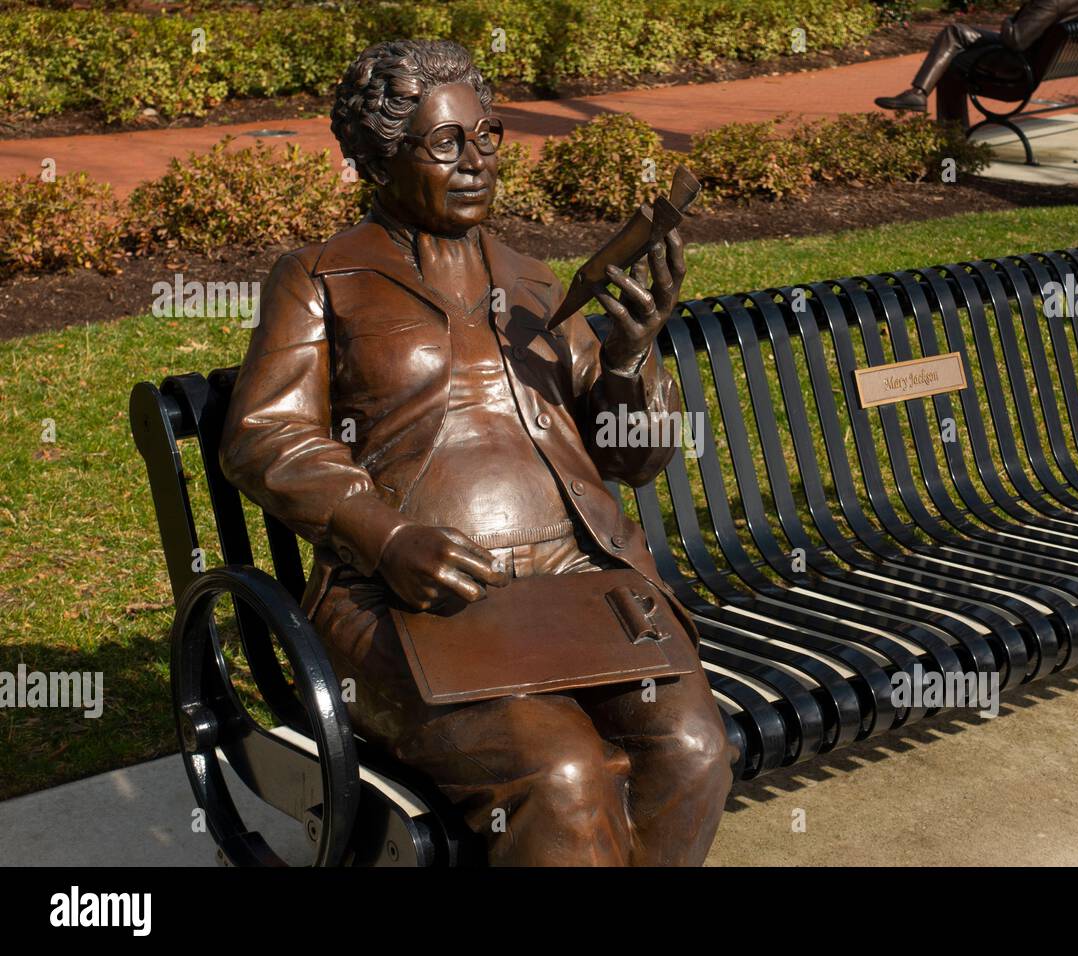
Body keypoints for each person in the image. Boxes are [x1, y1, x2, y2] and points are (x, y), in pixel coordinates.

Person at [219, 39, 736, 866]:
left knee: (693, 750)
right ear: (377, 159)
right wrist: (385, 537)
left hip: (576, 586)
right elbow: (261, 436)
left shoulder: (534, 283)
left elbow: (632, 459)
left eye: (488, 137)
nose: (477, 164)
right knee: (564, 774)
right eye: (446, 143)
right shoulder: (320, 278)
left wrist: (633, 358)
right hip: (411, 604)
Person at [875, 0, 1078, 116]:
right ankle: (917, 94)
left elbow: (1015, 40)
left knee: (951, 66)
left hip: (1016, 68)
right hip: (1034, 59)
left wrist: (1008, 20)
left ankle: (950, 153)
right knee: (956, 32)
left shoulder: (1051, 2)